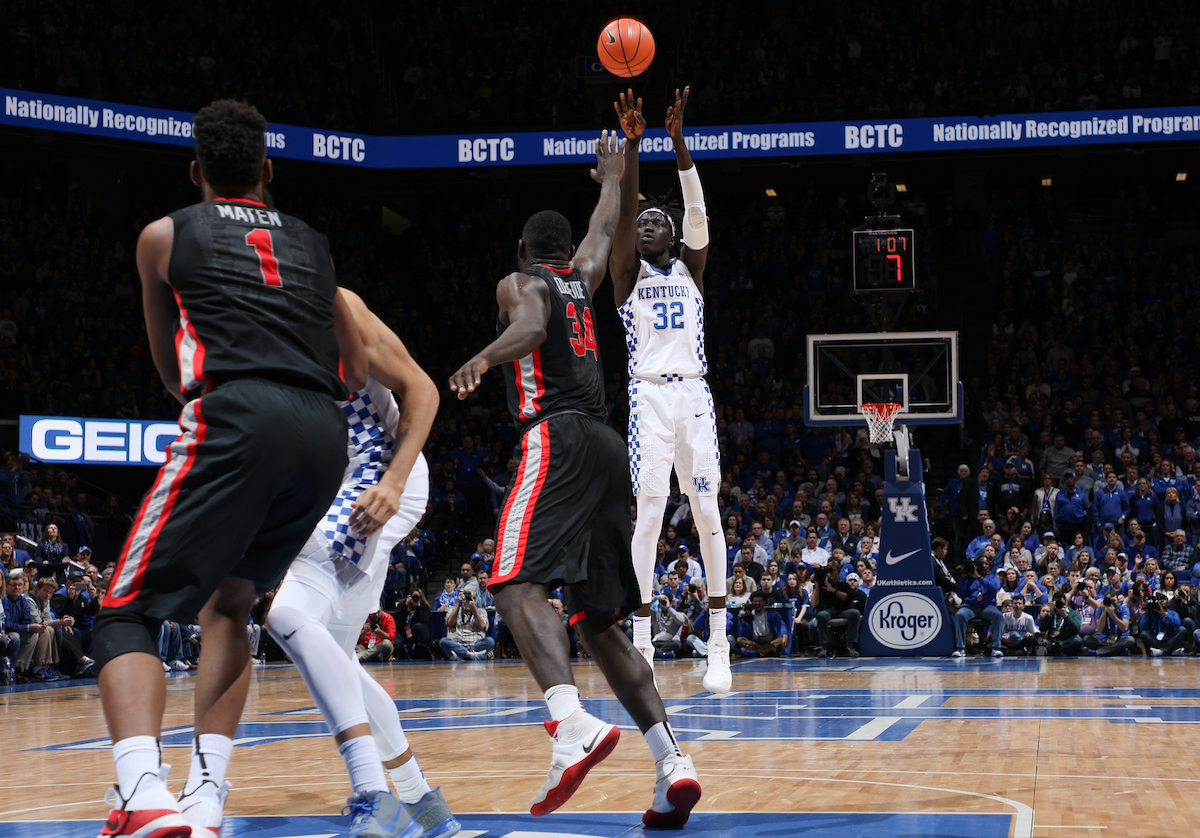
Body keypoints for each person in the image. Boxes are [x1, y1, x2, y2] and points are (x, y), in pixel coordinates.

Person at [91, 99, 367, 838]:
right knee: (228, 607)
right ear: (268, 169)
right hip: (324, 434)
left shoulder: (163, 235)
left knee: (127, 613)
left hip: (239, 411)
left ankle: (141, 792)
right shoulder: (314, 244)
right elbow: (356, 367)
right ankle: (206, 795)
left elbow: (168, 371)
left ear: (196, 172)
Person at [448, 129, 700, 827]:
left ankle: (570, 723)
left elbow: (530, 327)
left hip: (556, 436)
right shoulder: (582, 277)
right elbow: (602, 229)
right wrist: (612, 179)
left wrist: (483, 357)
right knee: (601, 621)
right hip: (608, 448)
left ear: (522, 252)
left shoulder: (521, 284)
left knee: (512, 583)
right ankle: (672, 763)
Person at [262, 290, 454, 838]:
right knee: (339, 662)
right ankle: (425, 808)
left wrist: (394, 481)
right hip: (332, 487)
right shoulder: (245, 334)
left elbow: (421, 387)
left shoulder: (331, 306)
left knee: (288, 615)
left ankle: (375, 795)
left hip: (380, 470)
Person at [608, 87, 729, 696]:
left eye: (658, 222)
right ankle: (643, 642)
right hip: (649, 398)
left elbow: (698, 209)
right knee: (650, 514)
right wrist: (634, 148)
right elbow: (622, 219)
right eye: (643, 222)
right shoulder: (626, 277)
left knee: (707, 511)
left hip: (695, 398)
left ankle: (720, 644)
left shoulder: (691, 271)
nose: (647, 225)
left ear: (675, 237)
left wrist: (678, 144)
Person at [953, 557, 1005, 657]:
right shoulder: (968, 578)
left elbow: (994, 588)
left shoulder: (993, 577)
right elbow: (960, 593)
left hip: (987, 607)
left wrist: (979, 577)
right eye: (981, 564)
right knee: (960, 614)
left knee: (998, 615)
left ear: (990, 566)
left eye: (986, 564)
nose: (984, 566)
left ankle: (996, 648)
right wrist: (964, 577)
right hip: (970, 606)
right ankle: (960, 648)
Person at [439, 588, 495, 661]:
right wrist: (458, 604)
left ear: (475, 600)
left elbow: (482, 626)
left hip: (474, 644)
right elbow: (450, 623)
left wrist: (473, 607)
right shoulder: (453, 610)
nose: (467, 601)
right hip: (457, 643)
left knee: (490, 641)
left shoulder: (481, 611)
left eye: (471, 599)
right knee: (443, 641)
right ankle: (473, 655)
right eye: (465, 599)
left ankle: (461, 655)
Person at [736, 590, 788, 656]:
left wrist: (784, 634)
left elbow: (781, 624)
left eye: (760, 601)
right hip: (755, 643)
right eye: (755, 602)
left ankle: (757, 653)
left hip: (769, 642)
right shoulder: (748, 615)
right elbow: (743, 634)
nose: (757, 603)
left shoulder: (771, 614)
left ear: (764, 602)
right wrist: (742, 621)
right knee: (739, 640)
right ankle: (767, 652)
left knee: (782, 638)